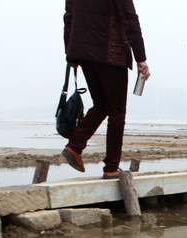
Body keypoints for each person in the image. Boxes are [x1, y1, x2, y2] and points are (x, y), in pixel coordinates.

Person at [61, 0, 149, 179]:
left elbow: (69, 18)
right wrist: (141, 58)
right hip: (110, 53)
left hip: (83, 52)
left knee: (101, 105)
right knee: (117, 112)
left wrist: (70, 53)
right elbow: (130, 19)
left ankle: (75, 146)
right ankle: (111, 168)